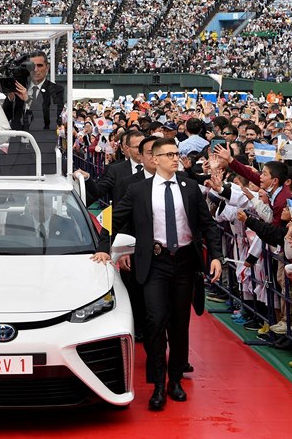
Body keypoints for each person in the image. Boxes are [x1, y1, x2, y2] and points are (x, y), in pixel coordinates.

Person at [114, 137, 223, 411]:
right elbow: (115, 217)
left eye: (177, 153)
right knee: (155, 320)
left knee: (179, 323)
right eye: (169, 154)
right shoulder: (139, 190)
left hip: (185, 262)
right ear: (155, 160)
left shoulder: (190, 188)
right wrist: (105, 247)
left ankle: (175, 380)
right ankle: (158, 385)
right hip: (154, 262)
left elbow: (208, 225)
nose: (176, 158)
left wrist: (218, 257)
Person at [2, 53, 65, 176]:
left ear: (47, 68)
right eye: (32, 66)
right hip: (17, 154)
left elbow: (51, 117)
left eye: (40, 65)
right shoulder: (19, 88)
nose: (36, 70)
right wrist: (10, 98)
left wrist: (28, 100)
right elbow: (6, 116)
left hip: (42, 154)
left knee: (42, 194)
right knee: (15, 193)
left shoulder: (56, 90)